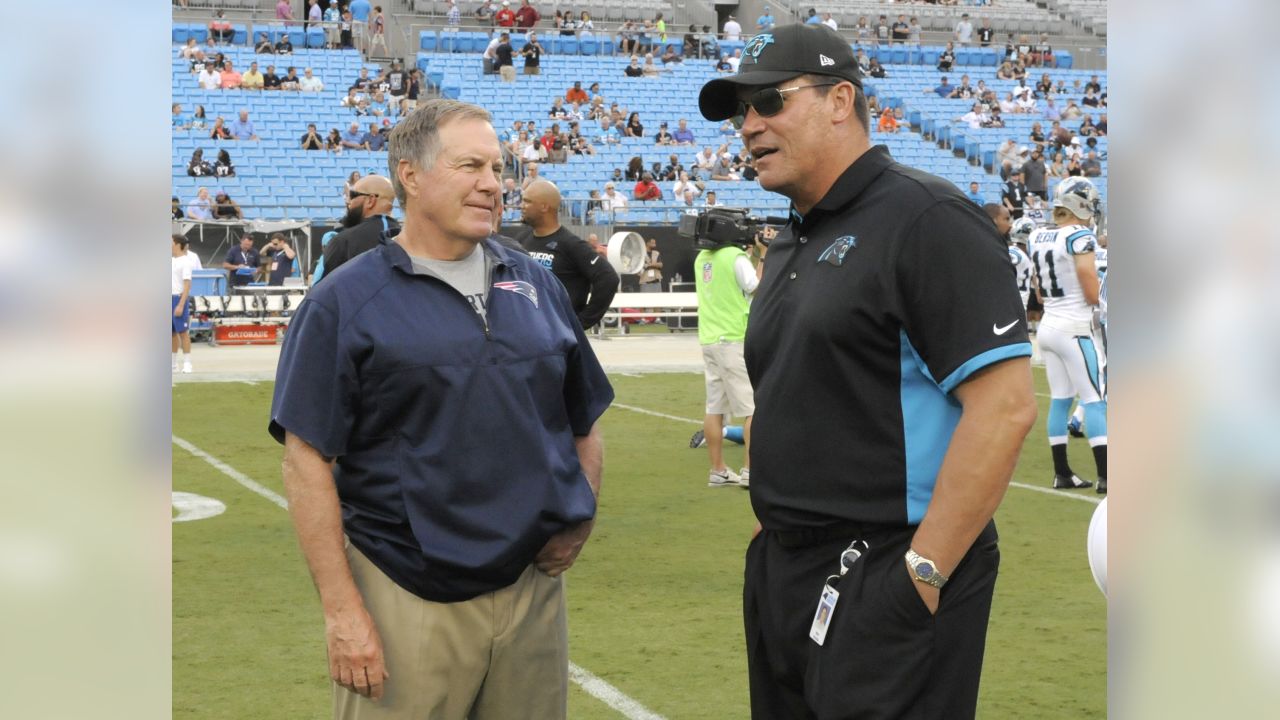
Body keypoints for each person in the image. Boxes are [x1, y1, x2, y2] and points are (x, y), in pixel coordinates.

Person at [697, 23, 1037, 719]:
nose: (749, 126)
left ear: (839, 99)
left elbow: (1004, 407)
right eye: (741, 112)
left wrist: (924, 572)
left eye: (770, 103)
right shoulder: (794, 235)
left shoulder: (927, 219)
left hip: (886, 567)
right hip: (786, 570)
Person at [270, 99, 612, 719]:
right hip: (406, 592)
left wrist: (581, 512)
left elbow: (583, 416)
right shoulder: (343, 301)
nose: (493, 183)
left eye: (498, 166)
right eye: (470, 165)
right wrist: (344, 611)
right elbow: (305, 460)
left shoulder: (536, 284)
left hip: (532, 591)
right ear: (411, 175)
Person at [1028, 177, 1107, 493]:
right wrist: (1096, 302)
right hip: (1075, 327)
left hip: (1049, 326)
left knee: (1060, 400)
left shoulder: (1038, 234)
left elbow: (1039, 288)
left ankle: (1062, 472)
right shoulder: (1080, 235)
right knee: (1095, 401)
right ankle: (1107, 476)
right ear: (1081, 203)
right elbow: (1088, 280)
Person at [693, 220, 760, 488]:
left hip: (709, 337)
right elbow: (756, 286)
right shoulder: (734, 256)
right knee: (753, 408)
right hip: (733, 337)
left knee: (715, 407)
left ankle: (718, 470)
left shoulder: (701, 258)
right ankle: (750, 470)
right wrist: (763, 254)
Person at [519, 179, 619, 329]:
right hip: (526, 335)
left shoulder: (571, 244)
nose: (521, 206)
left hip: (558, 342)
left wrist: (581, 323)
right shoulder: (521, 240)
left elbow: (608, 278)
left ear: (544, 206)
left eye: (527, 202)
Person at [320, 175, 399, 278]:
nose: (348, 202)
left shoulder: (342, 242)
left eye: (353, 195)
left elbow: (324, 290)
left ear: (371, 200)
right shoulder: (412, 240)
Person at [172, 234, 195, 374]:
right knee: (171, 334)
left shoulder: (186, 261)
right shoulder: (171, 260)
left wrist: (181, 304)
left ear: (177, 244)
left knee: (183, 332)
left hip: (179, 298)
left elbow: (187, 285)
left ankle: (187, 364)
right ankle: (173, 364)